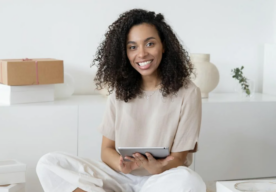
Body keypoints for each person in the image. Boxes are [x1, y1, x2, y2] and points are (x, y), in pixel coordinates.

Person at [36, 9, 206, 192]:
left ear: (163, 46)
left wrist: (158, 168)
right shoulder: (119, 91)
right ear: (124, 52)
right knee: (49, 163)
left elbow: (179, 158)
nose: (141, 54)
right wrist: (122, 165)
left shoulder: (188, 93)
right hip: (119, 176)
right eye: (132, 47)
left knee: (190, 181)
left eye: (149, 44)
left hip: (161, 178)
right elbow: (106, 150)